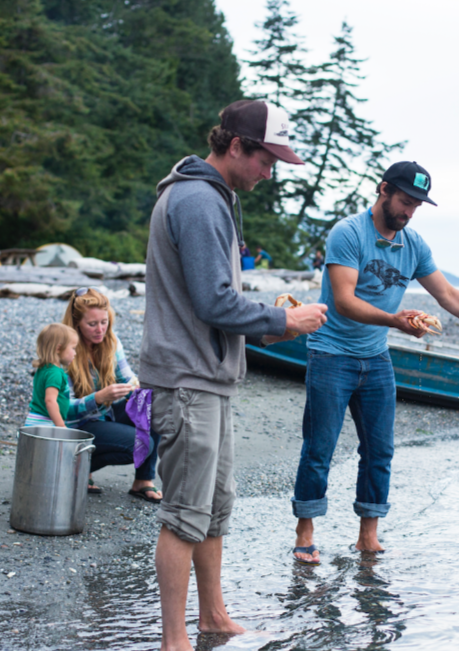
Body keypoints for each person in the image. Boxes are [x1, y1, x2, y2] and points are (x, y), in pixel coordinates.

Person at [139, 99, 328, 650]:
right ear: (236, 146)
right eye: (266, 160)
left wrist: (276, 326)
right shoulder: (198, 200)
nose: (270, 173)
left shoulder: (209, 196)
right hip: (187, 383)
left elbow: (216, 301)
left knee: (214, 508)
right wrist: (283, 319)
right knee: (184, 515)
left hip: (208, 381)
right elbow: (213, 303)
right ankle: (175, 641)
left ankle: (214, 617)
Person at [291, 161, 459, 565]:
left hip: (376, 357)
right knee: (319, 447)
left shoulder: (413, 245)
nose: (410, 211)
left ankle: (368, 535)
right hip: (331, 354)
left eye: (417, 205)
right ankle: (306, 530)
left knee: (379, 450)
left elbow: (448, 296)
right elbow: (343, 301)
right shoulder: (349, 233)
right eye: (405, 201)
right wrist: (396, 321)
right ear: (383, 190)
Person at [63, 287, 162, 501]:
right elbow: (63, 411)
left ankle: (143, 480)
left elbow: (127, 377)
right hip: (74, 425)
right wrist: (98, 398)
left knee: (153, 403)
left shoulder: (111, 340)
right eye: (92, 324)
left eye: (104, 322)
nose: (100, 329)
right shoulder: (63, 348)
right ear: (76, 323)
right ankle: (75, 468)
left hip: (103, 414)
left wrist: (136, 389)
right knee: (139, 445)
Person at [25, 323, 78, 427]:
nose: (75, 353)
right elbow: (50, 401)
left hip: (35, 419)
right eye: (73, 348)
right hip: (46, 422)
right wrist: (61, 426)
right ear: (58, 349)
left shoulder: (44, 368)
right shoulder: (55, 373)